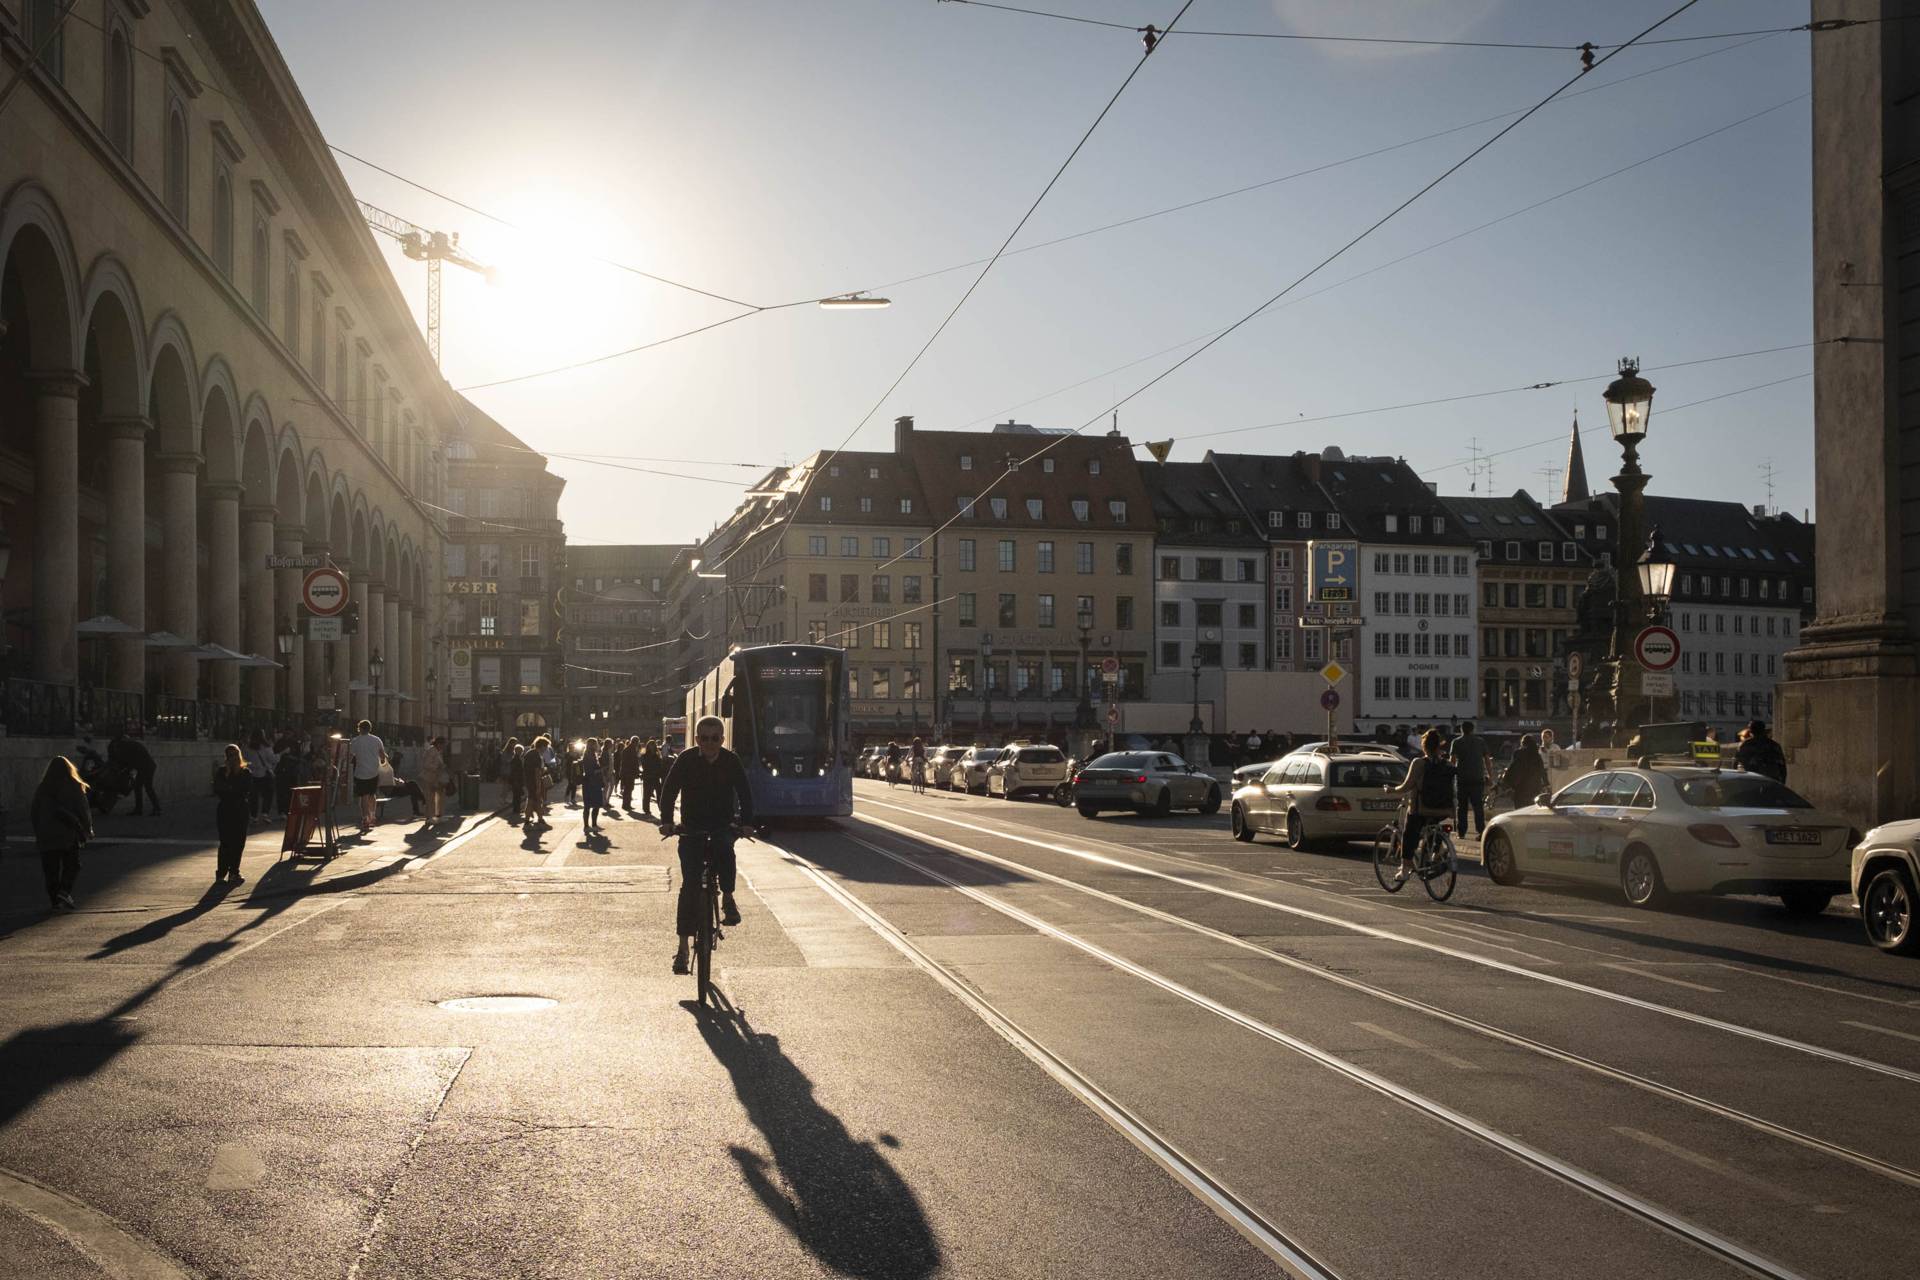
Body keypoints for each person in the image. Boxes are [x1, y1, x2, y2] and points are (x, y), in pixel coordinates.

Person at [659, 715, 756, 975]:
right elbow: (669, 791)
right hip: (692, 828)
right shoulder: (687, 760)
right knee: (689, 886)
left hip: (722, 824)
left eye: (715, 739)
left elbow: (745, 793)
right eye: (705, 738)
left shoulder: (730, 761)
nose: (710, 743)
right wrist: (667, 821)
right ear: (697, 739)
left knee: (726, 850)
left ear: (722, 740)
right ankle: (682, 949)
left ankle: (728, 897)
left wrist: (747, 823)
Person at [1386, 728, 1456, 881]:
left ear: (1424, 746)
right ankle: (1437, 851)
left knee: (1409, 833)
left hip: (1421, 809)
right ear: (1439, 746)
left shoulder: (1419, 763)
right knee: (1434, 826)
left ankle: (1404, 869)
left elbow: (1406, 786)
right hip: (1443, 809)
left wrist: (1391, 790)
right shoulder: (1448, 765)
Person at [31, 756, 92, 911]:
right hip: (67, 833)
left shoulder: (43, 787)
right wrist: (88, 828)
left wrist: (38, 831)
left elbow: (34, 812)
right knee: (73, 865)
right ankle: (64, 891)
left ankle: (55, 902)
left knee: (51, 870)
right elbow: (83, 810)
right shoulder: (75, 785)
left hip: (46, 834)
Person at [213, 744, 253, 885]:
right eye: (230, 755)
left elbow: (244, 790)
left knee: (238, 842)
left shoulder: (245, 772)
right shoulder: (222, 772)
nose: (233, 758)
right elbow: (218, 789)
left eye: (235, 754)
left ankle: (234, 872)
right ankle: (221, 873)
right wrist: (230, 781)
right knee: (225, 842)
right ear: (226, 757)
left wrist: (230, 788)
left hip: (240, 810)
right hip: (225, 810)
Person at [1448, 721, 1493, 836]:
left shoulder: (1456, 742)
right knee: (1478, 806)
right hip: (1477, 778)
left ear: (1461, 730)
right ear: (1473, 730)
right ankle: (1481, 831)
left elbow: (1452, 761)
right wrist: (1490, 776)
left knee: (1461, 807)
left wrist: (1450, 777)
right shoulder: (1480, 742)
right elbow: (1487, 760)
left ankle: (1461, 832)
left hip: (1462, 778)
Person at [109, 728, 160, 816]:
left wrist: (125, 770)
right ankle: (140, 809)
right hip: (145, 767)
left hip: (146, 767)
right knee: (139, 787)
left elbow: (128, 761)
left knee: (147, 787)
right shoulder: (129, 744)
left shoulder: (126, 747)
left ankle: (155, 808)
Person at [347, 720, 386, 832]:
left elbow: (350, 756)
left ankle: (365, 819)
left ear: (360, 728)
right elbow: (382, 755)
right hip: (374, 772)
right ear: (370, 728)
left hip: (360, 772)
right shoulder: (376, 739)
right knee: (372, 794)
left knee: (363, 797)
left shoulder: (355, 741)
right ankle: (373, 816)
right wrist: (382, 761)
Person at [1502, 734, 1548, 810]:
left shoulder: (1518, 753)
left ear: (1523, 743)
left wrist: (1507, 782)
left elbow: (1513, 767)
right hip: (1535, 787)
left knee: (1520, 809)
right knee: (1532, 808)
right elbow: (1542, 770)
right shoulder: (1536, 755)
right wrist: (1546, 783)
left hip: (1521, 786)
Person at [244, 730, 275, 821]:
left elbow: (244, 760)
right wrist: (280, 755)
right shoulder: (266, 747)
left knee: (253, 796)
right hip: (265, 773)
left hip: (252, 774)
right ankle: (265, 813)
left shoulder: (247, 748)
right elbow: (272, 759)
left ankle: (254, 816)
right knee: (268, 794)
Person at [418, 736, 448, 825]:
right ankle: (429, 817)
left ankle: (439, 815)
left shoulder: (438, 751)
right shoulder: (431, 751)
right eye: (443, 745)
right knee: (429, 798)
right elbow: (426, 764)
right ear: (439, 744)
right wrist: (437, 767)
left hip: (436, 778)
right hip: (428, 778)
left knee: (440, 796)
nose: (444, 747)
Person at [582, 739, 606, 833]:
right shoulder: (588, 756)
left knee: (593, 805)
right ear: (592, 745)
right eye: (595, 744)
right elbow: (590, 771)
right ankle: (588, 825)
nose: (597, 746)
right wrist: (601, 770)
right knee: (591, 805)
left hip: (592, 783)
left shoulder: (591, 755)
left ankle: (591, 825)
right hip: (591, 783)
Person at [640, 739, 664, 817]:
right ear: (648, 746)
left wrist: (660, 773)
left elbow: (660, 765)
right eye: (651, 745)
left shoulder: (657, 755)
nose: (652, 746)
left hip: (655, 776)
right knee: (647, 793)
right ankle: (646, 809)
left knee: (659, 794)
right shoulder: (645, 755)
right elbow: (644, 766)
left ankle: (661, 808)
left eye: (653, 745)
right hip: (648, 776)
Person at [617, 736, 640, 809]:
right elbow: (632, 762)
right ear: (635, 742)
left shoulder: (629, 749)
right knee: (628, 789)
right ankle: (626, 805)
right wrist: (636, 770)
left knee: (629, 788)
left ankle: (627, 804)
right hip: (628, 772)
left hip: (627, 772)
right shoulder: (630, 750)